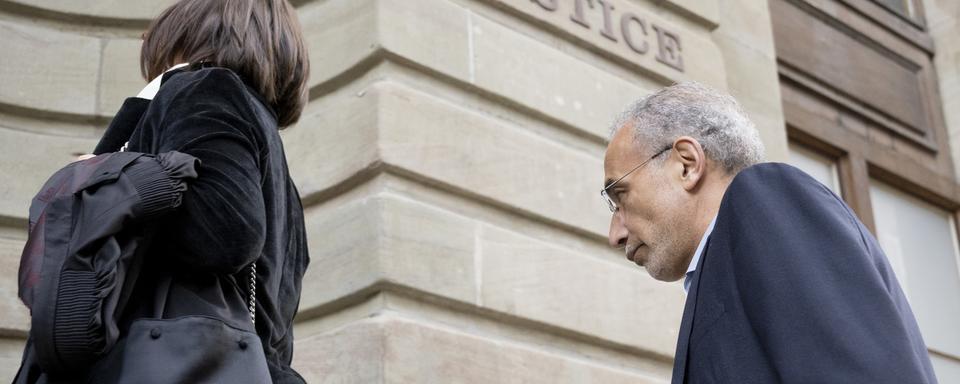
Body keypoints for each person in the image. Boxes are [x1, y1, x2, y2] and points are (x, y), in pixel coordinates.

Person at [15, 0, 310, 383]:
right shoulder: (280, 178)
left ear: (187, 34)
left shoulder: (204, 88)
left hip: (161, 362)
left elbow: (223, 237)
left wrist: (111, 166)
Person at [603, 82, 937, 383]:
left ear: (686, 164)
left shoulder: (766, 201)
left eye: (620, 195)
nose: (615, 234)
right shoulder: (724, 268)